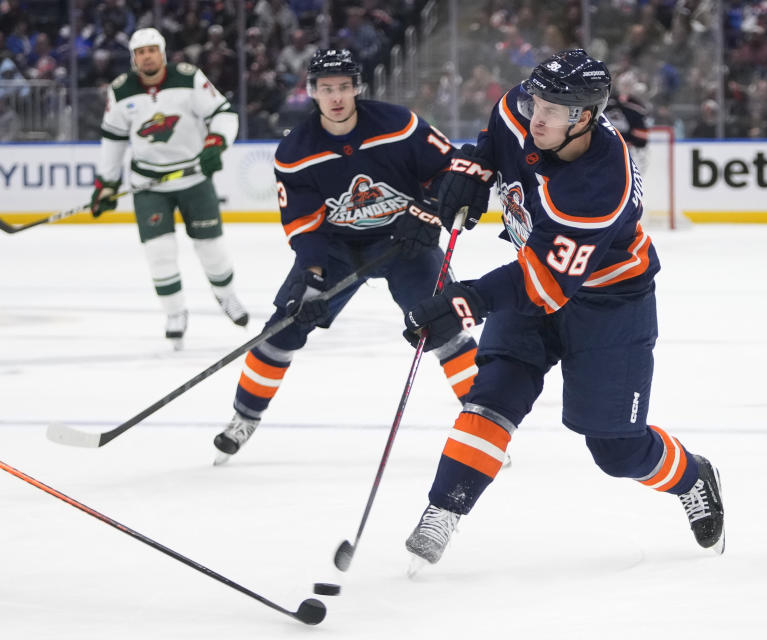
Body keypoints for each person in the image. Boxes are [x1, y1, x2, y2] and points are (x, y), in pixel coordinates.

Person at [402, 49, 725, 568]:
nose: (538, 117)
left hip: (609, 302)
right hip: (535, 277)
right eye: (537, 101)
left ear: (588, 118)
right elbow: (493, 142)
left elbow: (545, 285)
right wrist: (472, 167)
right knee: (493, 395)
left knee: (616, 449)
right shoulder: (519, 111)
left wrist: (469, 300)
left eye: (556, 110)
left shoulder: (600, 184)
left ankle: (692, 475)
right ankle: (444, 508)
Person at [212, 49, 480, 464]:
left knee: (443, 321)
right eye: (325, 89)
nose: (335, 97)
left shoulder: (398, 124)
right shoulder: (295, 151)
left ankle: (484, 423)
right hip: (337, 249)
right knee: (283, 326)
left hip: (405, 242)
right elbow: (304, 225)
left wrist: (428, 211)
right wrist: (314, 277)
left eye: (342, 88)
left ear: (357, 88)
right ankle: (244, 417)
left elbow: (451, 170)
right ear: (312, 93)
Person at [91, 27, 248, 348]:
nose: (147, 56)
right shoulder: (121, 91)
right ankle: (175, 313)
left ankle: (227, 297)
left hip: (193, 178)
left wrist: (216, 143)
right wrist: (106, 184)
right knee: (159, 253)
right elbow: (113, 141)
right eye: (140, 52)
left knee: (212, 249)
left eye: (152, 49)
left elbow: (223, 113)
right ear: (134, 58)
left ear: (162, 53)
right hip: (148, 184)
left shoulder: (189, 78)